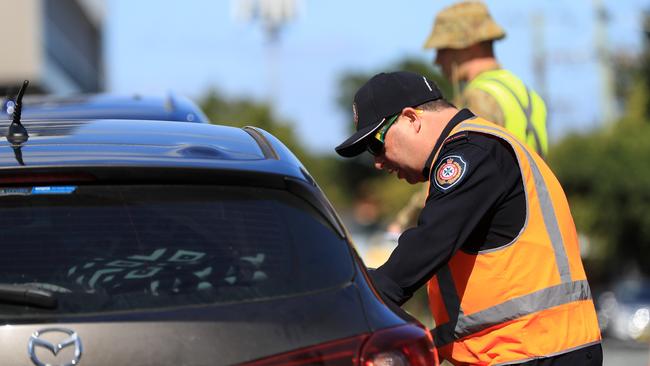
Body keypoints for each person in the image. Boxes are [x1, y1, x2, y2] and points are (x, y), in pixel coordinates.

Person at [335, 70, 602, 365]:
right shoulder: (481, 148)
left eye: (376, 143)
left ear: (411, 119)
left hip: (532, 350)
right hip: (532, 348)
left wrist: (350, 305)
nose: (377, 161)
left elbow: (427, 245)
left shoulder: (472, 153)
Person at [387, 1, 550, 234]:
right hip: (529, 217)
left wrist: (403, 222)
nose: (437, 60)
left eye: (442, 49)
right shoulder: (524, 92)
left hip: (496, 228)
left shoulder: (479, 96)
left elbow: (454, 169)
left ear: (467, 45)